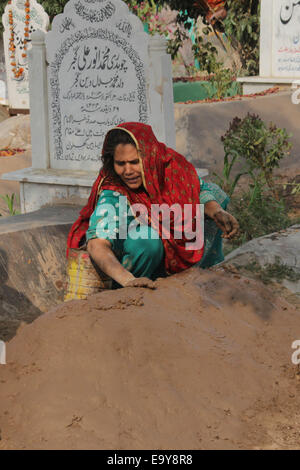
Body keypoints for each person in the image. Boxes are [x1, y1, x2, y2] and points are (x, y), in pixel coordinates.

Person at [67, 122, 239, 289]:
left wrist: (216, 211)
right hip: (132, 270)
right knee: (146, 239)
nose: (128, 171)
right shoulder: (114, 191)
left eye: (135, 162)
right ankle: (128, 295)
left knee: (212, 199)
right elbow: (96, 244)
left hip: (173, 255)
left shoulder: (171, 169)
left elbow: (198, 189)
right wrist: (128, 280)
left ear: (150, 157)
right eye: (121, 164)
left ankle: (202, 275)